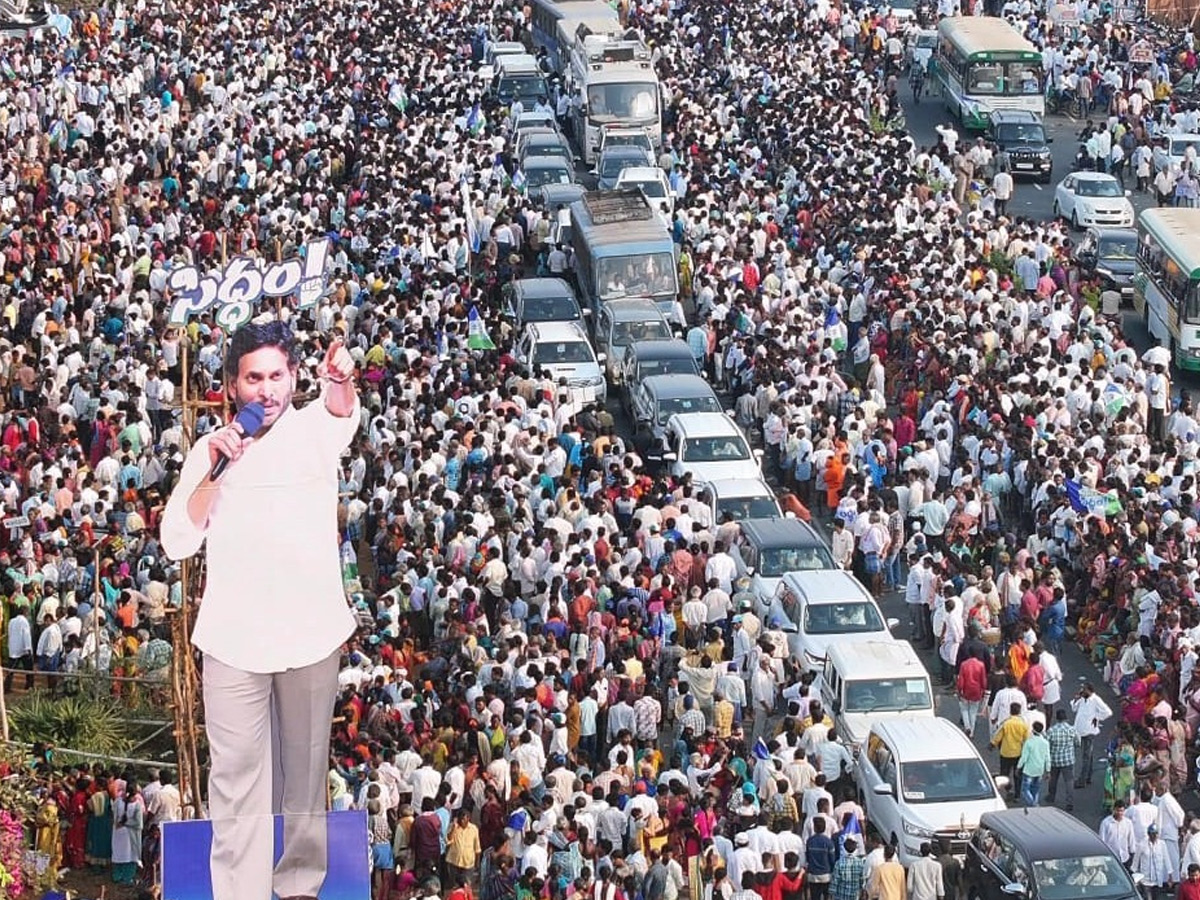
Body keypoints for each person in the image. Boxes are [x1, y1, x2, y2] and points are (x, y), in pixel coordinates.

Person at [161, 321, 359, 900]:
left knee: (303, 775)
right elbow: (177, 540)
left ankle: (299, 883)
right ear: (232, 385)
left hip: (310, 635)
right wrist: (212, 472)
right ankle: (241, 889)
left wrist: (341, 380)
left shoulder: (315, 432)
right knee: (236, 781)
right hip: (234, 642)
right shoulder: (209, 450)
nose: (266, 390)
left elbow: (342, 410)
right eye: (254, 378)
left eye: (277, 376)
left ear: (295, 379)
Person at [1044, 710, 1079, 810]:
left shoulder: (1051, 730)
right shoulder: (1071, 729)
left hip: (1054, 759)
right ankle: (1070, 802)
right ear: (1066, 718)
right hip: (1068, 760)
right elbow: (1078, 742)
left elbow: (1046, 744)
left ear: (1057, 718)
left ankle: (1051, 796)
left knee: (1053, 779)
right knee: (1069, 781)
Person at [1016, 720, 1051, 807]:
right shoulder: (1045, 743)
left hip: (1029, 770)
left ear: (1033, 730)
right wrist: (1048, 770)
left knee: (1025, 790)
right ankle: (1034, 804)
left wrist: (1018, 767)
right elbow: (1047, 758)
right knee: (1035, 789)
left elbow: (1024, 757)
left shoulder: (1029, 742)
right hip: (1039, 770)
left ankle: (1033, 804)